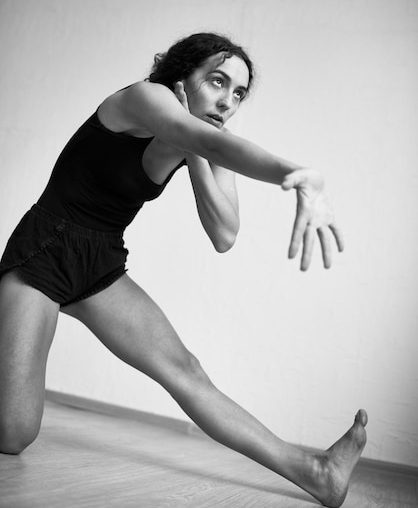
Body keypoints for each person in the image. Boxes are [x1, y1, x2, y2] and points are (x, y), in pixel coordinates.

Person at [0, 32, 367, 507]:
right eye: (217, 82)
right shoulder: (144, 98)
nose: (227, 101)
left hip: (100, 261)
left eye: (237, 93)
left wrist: (198, 152)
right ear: (182, 76)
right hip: (46, 248)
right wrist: (297, 174)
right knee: (14, 432)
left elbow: (224, 234)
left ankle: (317, 472)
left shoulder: (207, 138)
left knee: (187, 371)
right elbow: (192, 134)